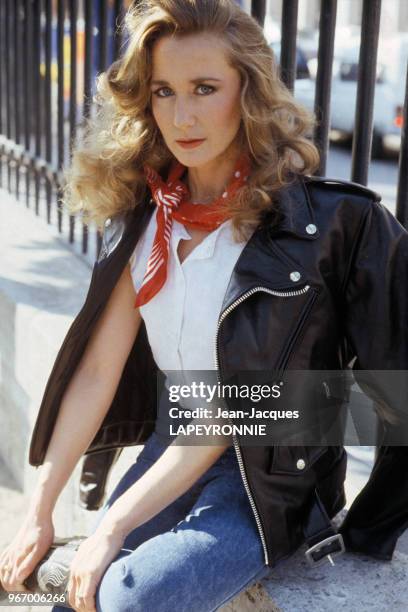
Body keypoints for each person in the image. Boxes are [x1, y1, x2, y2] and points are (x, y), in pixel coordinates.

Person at [1, 1, 408, 611]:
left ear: (248, 92)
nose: (182, 115)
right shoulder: (147, 214)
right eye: (164, 91)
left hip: (272, 475)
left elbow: (249, 409)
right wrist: (39, 507)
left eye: (204, 88)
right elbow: (95, 372)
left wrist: (112, 527)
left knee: (129, 596)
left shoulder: (319, 225)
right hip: (174, 443)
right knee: (76, 596)